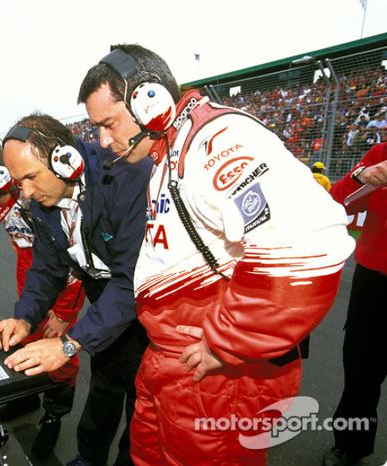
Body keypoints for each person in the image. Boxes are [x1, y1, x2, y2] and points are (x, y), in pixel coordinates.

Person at [77, 44, 355, 465]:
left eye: (108, 124)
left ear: (148, 99)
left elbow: (306, 242)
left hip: (216, 377)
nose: (103, 139)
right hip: (177, 365)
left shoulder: (216, 139)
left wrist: (229, 342)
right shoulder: (173, 150)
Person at [0, 113, 151, 466]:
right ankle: (90, 458)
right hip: (107, 294)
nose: (26, 193)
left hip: (147, 301)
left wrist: (68, 342)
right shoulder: (44, 203)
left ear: (66, 160)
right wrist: (23, 319)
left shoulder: (125, 177)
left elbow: (130, 281)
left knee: (144, 399)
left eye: (30, 177)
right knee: (105, 386)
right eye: (19, 182)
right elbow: (46, 269)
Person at [0, 140, 86, 459]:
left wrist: (65, 312)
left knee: (60, 355)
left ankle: (55, 414)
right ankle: (29, 395)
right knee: (27, 339)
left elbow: (74, 262)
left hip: (59, 293)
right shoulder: (9, 202)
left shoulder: (32, 200)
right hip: (32, 282)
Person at [324, 142, 387, 466]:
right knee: (360, 371)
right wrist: (362, 175)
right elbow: (336, 204)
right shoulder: (380, 155)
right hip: (375, 280)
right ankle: (350, 445)